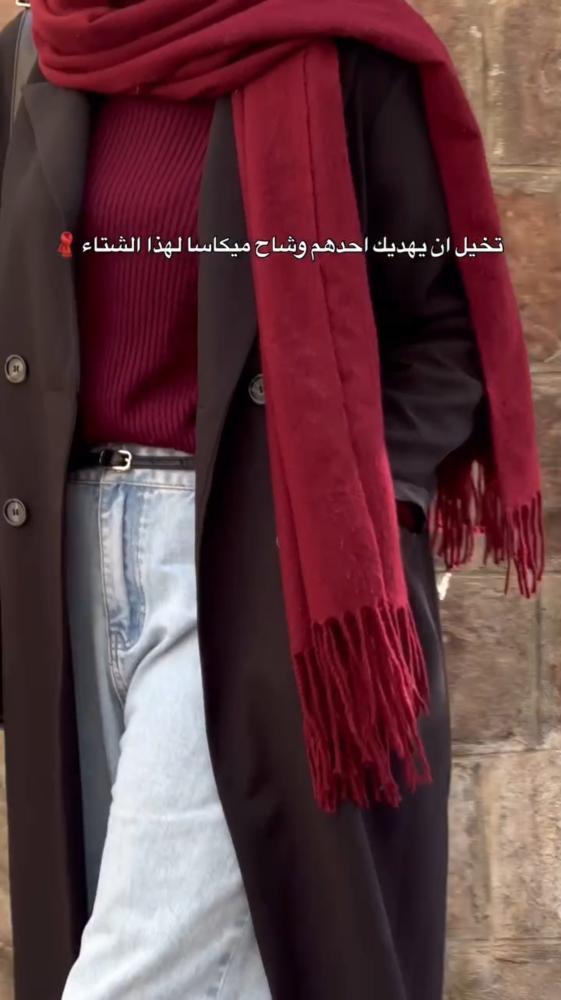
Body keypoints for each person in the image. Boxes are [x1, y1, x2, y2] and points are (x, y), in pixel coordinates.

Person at [0, 1, 544, 999]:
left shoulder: (340, 44)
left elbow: (446, 332)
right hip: (65, 566)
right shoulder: (44, 46)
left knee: (131, 976)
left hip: (248, 569)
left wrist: (350, 499)